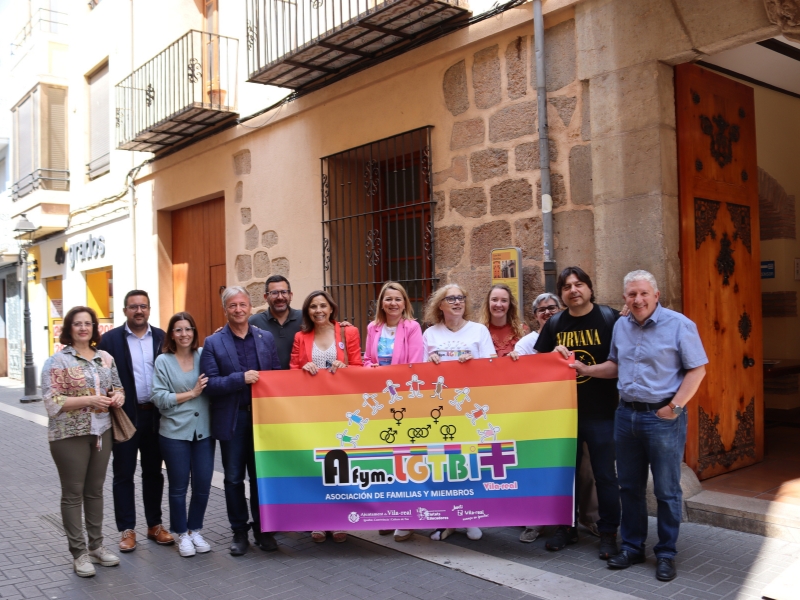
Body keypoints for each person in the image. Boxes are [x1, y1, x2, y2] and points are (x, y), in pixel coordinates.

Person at [567, 270, 707, 582]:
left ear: (656, 295)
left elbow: (697, 370)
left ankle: (667, 552)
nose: (638, 299)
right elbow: (615, 365)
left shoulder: (680, 325)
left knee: (667, 490)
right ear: (625, 297)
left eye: (643, 293)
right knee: (628, 486)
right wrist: (585, 368)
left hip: (662, 418)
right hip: (625, 415)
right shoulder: (621, 326)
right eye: (631, 294)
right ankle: (632, 546)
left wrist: (674, 407)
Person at [534, 266, 621, 559]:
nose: (574, 290)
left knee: (605, 476)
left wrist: (586, 370)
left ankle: (608, 532)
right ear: (561, 294)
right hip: (564, 416)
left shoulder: (610, 319)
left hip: (602, 413)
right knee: (564, 475)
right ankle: (566, 528)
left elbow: (622, 365)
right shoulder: (555, 323)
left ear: (590, 289)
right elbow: (538, 366)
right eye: (567, 286)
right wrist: (550, 358)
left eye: (579, 284)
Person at [42, 306, 125, 577]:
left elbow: (117, 386)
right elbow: (52, 401)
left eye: (88, 323)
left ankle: (97, 547)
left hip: (101, 432)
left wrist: (118, 397)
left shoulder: (105, 358)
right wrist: (89, 400)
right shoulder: (57, 361)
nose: (83, 328)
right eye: (77, 324)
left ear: (94, 328)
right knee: (73, 493)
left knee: (95, 491)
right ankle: (79, 553)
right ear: (69, 328)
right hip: (69, 434)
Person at [201, 286, 281, 556]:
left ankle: (264, 530)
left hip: (262, 420)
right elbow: (210, 384)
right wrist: (239, 378)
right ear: (225, 309)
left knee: (261, 478)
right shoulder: (213, 342)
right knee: (234, 479)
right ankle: (239, 531)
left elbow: (278, 376)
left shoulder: (265, 338)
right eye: (232, 306)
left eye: (242, 305)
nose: (238, 310)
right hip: (233, 420)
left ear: (250, 307)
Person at [98, 290, 173, 552]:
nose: (138, 311)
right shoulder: (109, 341)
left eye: (143, 306)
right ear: (124, 311)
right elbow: (100, 379)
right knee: (123, 474)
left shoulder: (163, 338)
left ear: (149, 309)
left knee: (154, 472)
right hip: (125, 417)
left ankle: (154, 525)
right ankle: (127, 530)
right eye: (133, 307)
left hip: (156, 415)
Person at [422, 283, 496, 542]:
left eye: (460, 298)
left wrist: (473, 365)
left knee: (469, 463)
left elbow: (492, 367)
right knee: (443, 466)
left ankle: (470, 517)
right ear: (439, 305)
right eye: (450, 298)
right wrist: (429, 365)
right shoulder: (430, 334)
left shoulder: (479, 331)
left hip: (471, 410)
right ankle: (446, 520)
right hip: (441, 411)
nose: (456, 302)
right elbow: (419, 376)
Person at [290, 289, 362, 543]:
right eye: (313, 307)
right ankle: (318, 520)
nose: (318, 310)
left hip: (341, 410)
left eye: (322, 306)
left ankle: (340, 519)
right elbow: (292, 370)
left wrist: (346, 367)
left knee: (340, 464)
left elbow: (358, 366)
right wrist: (302, 368)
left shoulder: (348, 332)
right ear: (307, 311)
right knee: (317, 464)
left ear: (331, 308)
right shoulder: (301, 336)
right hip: (313, 411)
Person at [362, 281, 424, 542]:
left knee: (405, 458)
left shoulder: (412, 327)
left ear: (405, 303)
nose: (393, 303)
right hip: (380, 401)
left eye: (398, 299)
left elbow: (415, 363)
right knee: (385, 459)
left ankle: (407, 519)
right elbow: (366, 359)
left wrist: (391, 379)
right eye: (388, 299)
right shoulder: (372, 328)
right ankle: (387, 514)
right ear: (382, 303)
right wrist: (371, 369)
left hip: (404, 401)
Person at [151, 312, 213, 558]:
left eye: (188, 329)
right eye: (178, 330)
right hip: (174, 433)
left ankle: (195, 529)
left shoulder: (204, 356)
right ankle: (182, 533)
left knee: (203, 485)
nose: (184, 334)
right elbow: (159, 398)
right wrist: (192, 393)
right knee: (178, 487)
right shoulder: (163, 361)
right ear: (172, 334)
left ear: (194, 332)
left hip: (204, 433)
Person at [248, 275, 303, 370]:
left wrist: (336, 327)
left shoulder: (304, 318)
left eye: (284, 292)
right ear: (265, 297)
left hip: (300, 379)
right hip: (269, 381)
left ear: (291, 295)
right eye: (274, 293)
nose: (280, 297)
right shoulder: (254, 322)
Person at [478, 283, 529, 358]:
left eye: (504, 300)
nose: (498, 304)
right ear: (488, 303)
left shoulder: (523, 331)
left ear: (509, 305)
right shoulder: (479, 331)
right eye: (494, 300)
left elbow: (530, 362)